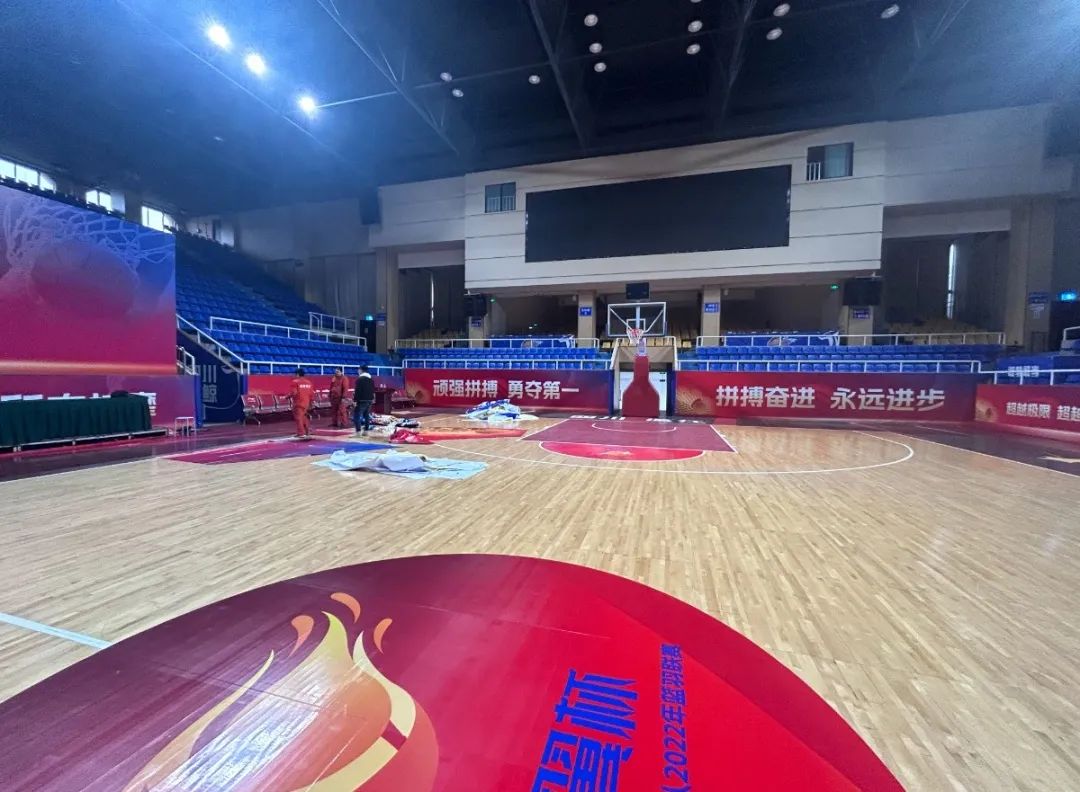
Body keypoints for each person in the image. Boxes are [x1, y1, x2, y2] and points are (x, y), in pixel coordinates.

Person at [289, 367, 314, 438]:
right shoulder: (309, 382)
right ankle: (307, 431)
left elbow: (294, 393)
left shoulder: (295, 382)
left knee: (299, 418)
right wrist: (311, 402)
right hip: (306, 403)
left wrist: (287, 396)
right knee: (304, 417)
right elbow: (311, 394)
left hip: (298, 403)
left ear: (297, 374)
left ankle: (301, 433)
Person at [353, 365, 375, 434]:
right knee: (366, 415)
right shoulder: (371, 380)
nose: (358, 371)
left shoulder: (359, 379)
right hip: (369, 400)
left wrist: (355, 400)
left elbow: (358, 391)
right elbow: (373, 390)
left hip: (361, 400)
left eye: (358, 369)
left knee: (356, 415)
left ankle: (358, 431)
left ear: (361, 370)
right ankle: (366, 431)